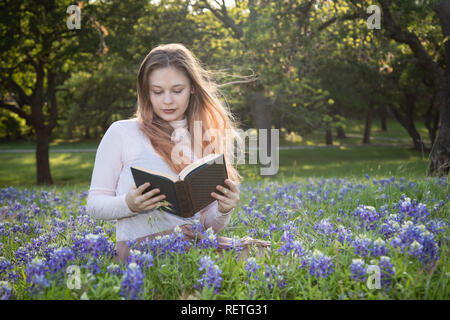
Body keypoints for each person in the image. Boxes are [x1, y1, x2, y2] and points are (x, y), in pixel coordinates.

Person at [86, 43, 269, 263]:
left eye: (177, 90)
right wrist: (128, 204)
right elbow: (94, 205)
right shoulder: (122, 132)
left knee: (263, 253)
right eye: (157, 91)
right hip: (141, 251)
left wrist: (223, 209)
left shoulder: (205, 137)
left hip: (192, 244)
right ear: (145, 91)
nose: (167, 100)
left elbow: (207, 226)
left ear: (192, 88)